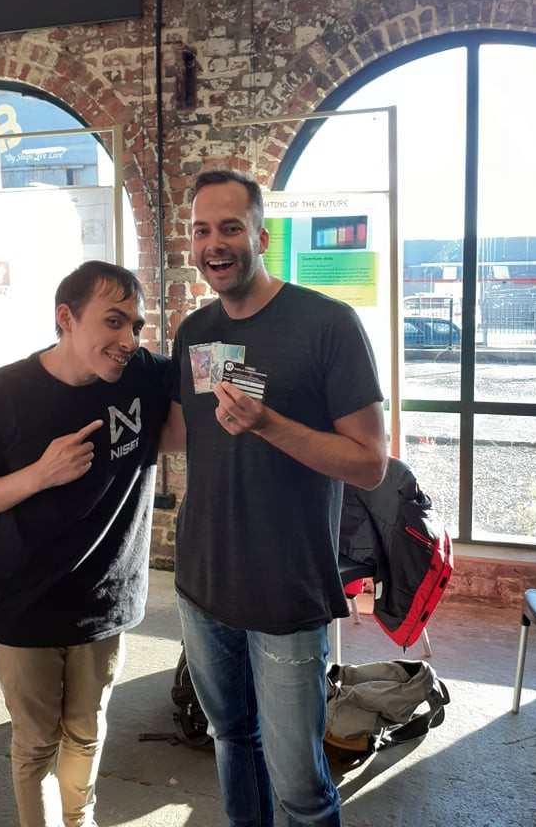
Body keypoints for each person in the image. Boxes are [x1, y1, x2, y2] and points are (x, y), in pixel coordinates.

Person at [169, 169, 387, 827]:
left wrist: (269, 424)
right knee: (232, 740)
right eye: (202, 230)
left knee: (300, 788)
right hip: (202, 583)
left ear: (262, 237)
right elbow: (182, 434)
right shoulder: (193, 332)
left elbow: (370, 464)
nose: (214, 243)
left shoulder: (328, 324)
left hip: (286, 591)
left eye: (230, 228)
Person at [0, 260, 179, 827]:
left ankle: (80, 820)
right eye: (113, 321)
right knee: (36, 743)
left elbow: (201, 387)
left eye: (136, 325)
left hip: (106, 597)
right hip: (25, 600)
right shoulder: (0, 393)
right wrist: (39, 475)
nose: (129, 339)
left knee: (86, 730)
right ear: (66, 318)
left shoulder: (142, 375)